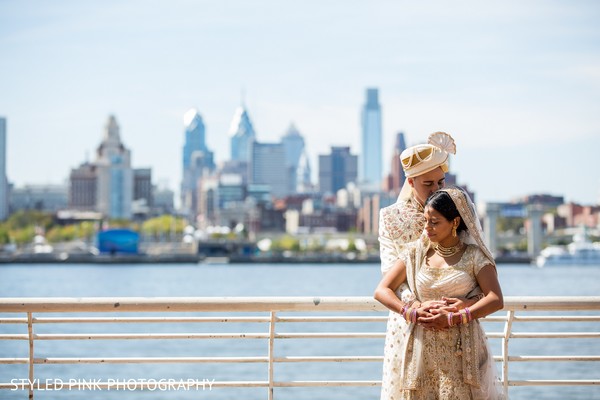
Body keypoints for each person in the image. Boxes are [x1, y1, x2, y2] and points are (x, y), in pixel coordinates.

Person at [374, 186, 504, 400]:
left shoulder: (474, 256)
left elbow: (495, 299)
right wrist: (410, 313)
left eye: (434, 222)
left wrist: (455, 318)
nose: (427, 228)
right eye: (426, 221)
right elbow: (382, 290)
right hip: (422, 350)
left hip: (463, 351)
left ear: (454, 222)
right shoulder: (416, 253)